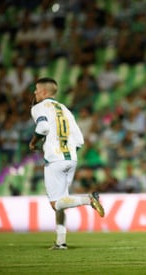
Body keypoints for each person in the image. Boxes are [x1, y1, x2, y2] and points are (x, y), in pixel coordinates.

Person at [29, 77, 105, 250]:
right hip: (71, 158)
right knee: (62, 202)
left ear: (44, 92)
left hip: (55, 159)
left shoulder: (39, 107)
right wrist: (68, 155)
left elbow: (42, 128)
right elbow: (79, 140)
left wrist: (33, 143)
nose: (34, 93)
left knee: (55, 203)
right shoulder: (65, 109)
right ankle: (60, 242)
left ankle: (88, 199)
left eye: (36, 89)